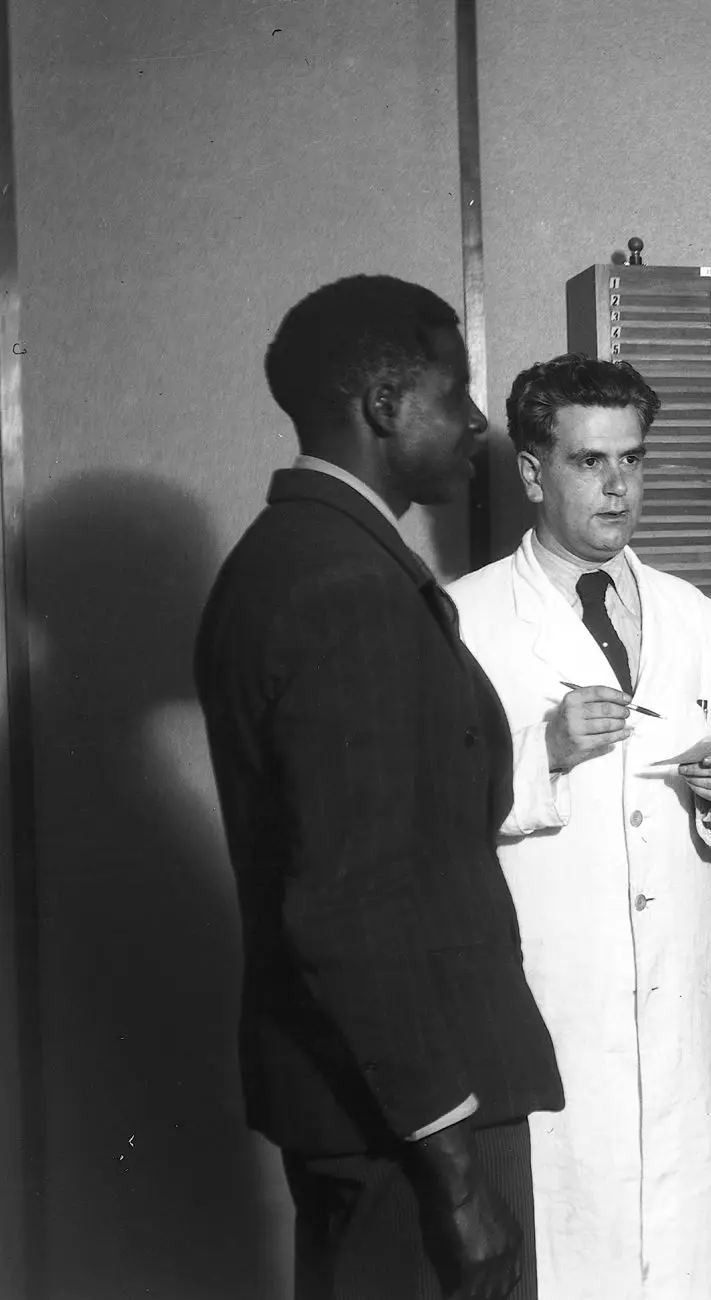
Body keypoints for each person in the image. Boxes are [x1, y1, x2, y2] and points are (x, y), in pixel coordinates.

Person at [195, 275, 563, 1300]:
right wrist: (453, 1178)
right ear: (387, 406)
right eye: (457, 391)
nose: (476, 419)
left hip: (372, 1101)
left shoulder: (295, 559)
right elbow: (348, 907)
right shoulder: (347, 588)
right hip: (412, 1122)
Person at [447, 354, 711, 1299]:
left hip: (678, 987)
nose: (618, 486)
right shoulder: (464, 618)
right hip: (554, 995)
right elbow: (424, 810)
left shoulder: (687, 610)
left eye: (632, 459)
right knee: (565, 1254)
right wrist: (541, 749)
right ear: (531, 472)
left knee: (678, 1255)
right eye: (590, 462)